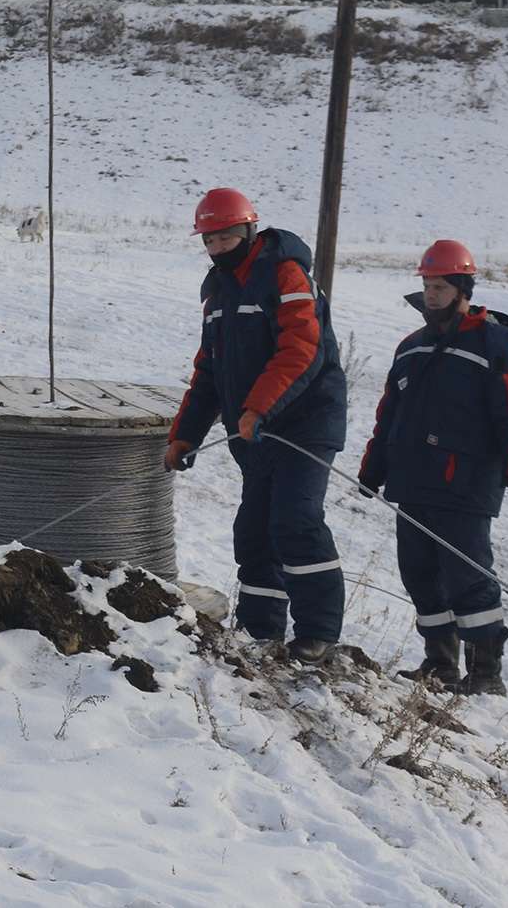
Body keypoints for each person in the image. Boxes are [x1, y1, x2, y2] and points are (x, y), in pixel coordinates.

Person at [164, 187, 348, 664]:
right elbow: (210, 369)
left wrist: (259, 408)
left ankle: (318, 632)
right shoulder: (219, 289)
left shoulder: (284, 273)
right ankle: (259, 628)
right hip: (255, 429)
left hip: (304, 423)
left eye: (224, 237)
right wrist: (184, 434)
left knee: (295, 521)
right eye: (209, 240)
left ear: (248, 230)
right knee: (254, 528)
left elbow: (301, 349)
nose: (217, 248)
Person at [356, 240, 508, 695]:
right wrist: (373, 466)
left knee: (468, 577)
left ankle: (485, 674)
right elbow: (389, 416)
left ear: (463, 289)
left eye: (441, 286)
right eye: (427, 285)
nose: (432, 294)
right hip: (413, 481)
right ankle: (440, 663)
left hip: (467, 483)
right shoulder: (411, 347)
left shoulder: (497, 344)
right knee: (418, 573)